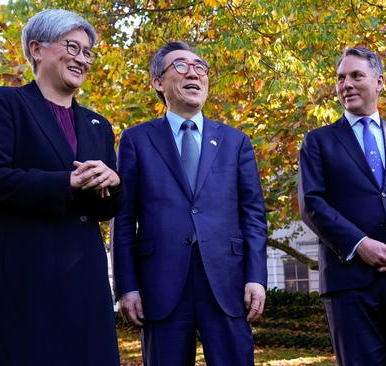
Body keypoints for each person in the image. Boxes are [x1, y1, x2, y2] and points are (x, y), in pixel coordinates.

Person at [0, 9, 122, 366]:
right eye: (73, 47)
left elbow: (107, 209)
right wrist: (66, 181)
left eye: (88, 52)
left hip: (84, 279)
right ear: (37, 48)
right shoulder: (5, 103)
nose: (82, 59)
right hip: (22, 275)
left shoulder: (98, 124)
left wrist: (112, 183)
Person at [111, 41, 268, 366]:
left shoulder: (235, 141)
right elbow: (123, 219)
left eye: (200, 67)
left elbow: (253, 215)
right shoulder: (136, 140)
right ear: (158, 82)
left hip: (228, 282)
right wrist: (127, 286)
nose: (194, 72)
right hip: (161, 283)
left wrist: (256, 277)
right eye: (180, 66)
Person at [298, 46, 386, 366]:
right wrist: (360, 244)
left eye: (356, 76)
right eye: (340, 78)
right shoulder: (318, 142)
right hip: (349, 281)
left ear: (379, 82)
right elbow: (311, 203)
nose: (346, 84)